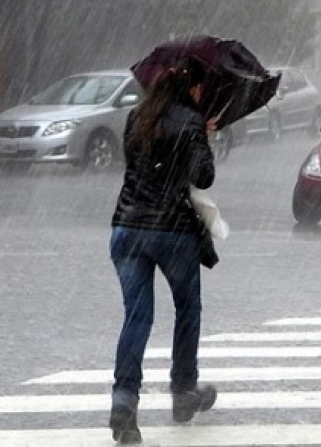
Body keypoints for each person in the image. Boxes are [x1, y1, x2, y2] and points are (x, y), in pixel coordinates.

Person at [108, 56, 218, 444]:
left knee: (137, 317)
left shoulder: (136, 117)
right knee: (187, 308)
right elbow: (203, 176)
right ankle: (183, 391)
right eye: (202, 89)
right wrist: (203, 137)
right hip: (172, 231)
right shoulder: (190, 122)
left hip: (127, 228)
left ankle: (124, 403)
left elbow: (138, 165)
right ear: (193, 88)